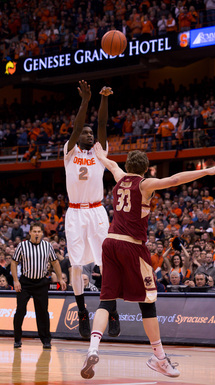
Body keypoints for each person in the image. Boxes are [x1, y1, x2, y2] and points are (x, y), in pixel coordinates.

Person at [81, 143, 215, 379]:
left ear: (128, 166)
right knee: (148, 301)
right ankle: (159, 358)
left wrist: (100, 155)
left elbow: (110, 164)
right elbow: (174, 179)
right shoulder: (145, 184)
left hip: (109, 244)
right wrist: (208, 171)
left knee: (107, 300)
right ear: (146, 169)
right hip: (131, 245)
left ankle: (92, 348)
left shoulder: (120, 178)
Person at [64, 80, 119, 339]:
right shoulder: (69, 152)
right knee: (75, 265)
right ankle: (83, 311)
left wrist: (104, 98)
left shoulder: (99, 152)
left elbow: (102, 125)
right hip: (75, 213)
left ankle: (111, 306)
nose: (88, 135)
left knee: (106, 262)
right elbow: (77, 127)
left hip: (97, 211)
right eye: (84, 133)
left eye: (89, 134)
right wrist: (85, 101)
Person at [11, 222, 66, 349]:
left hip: (41, 282)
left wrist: (60, 279)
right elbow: (14, 263)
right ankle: (17, 339)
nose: (36, 233)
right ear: (30, 232)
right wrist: (15, 280)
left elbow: (55, 262)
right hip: (25, 282)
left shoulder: (47, 246)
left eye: (39, 231)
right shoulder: (22, 245)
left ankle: (46, 340)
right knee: (20, 311)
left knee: (42, 312)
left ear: (42, 233)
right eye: (34, 231)